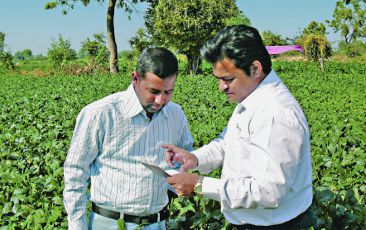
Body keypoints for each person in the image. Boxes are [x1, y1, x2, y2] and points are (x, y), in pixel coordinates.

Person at [162, 25, 317, 229]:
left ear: (255, 69)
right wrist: (195, 158)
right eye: (219, 79)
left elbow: (269, 192)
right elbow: (227, 143)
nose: (222, 87)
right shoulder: (251, 98)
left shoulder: (274, 114)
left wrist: (199, 185)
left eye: (228, 79)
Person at [63, 47, 194, 230]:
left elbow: (187, 154)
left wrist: (184, 172)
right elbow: (76, 172)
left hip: (157, 223)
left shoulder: (176, 114)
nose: (160, 100)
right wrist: (77, 225)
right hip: (110, 223)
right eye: (154, 91)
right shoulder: (101, 113)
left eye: (168, 92)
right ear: (135, 78)